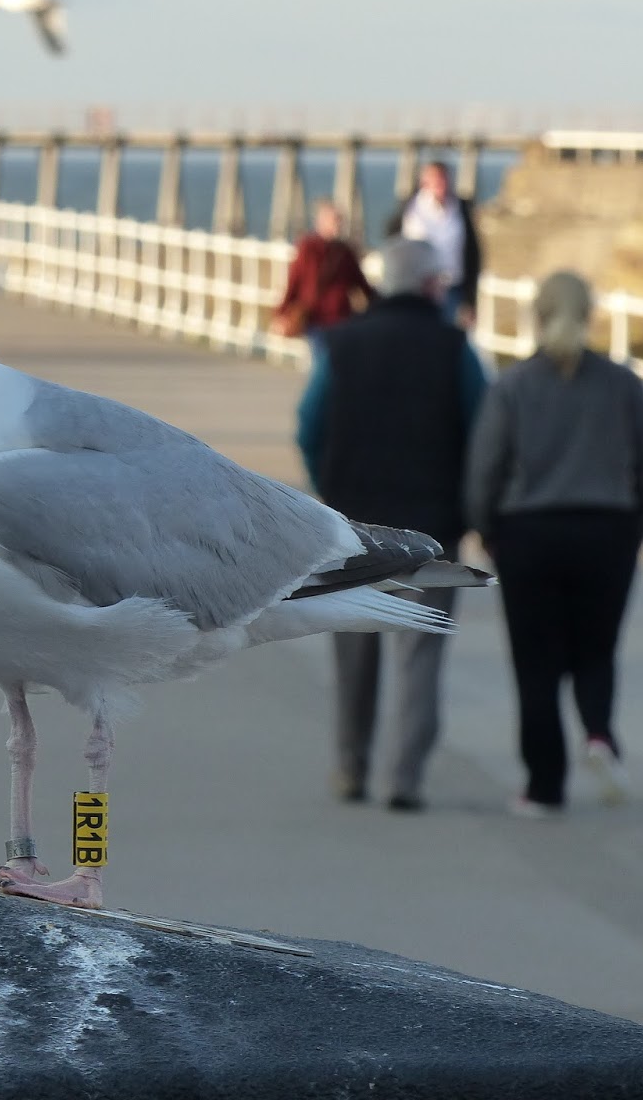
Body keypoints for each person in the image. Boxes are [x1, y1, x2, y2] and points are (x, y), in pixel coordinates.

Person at [296, 237, 489, 810]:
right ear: (432, 285)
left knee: (355, 648)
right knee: (419, 650)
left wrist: (327, 490)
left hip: (354, 525)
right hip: (432, 525)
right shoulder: (456, 349)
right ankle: (403, 778)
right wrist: (471, 507)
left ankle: (351, 768)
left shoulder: (343, 345)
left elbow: (310, 425)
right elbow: (483, 433)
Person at [464, 271, 643, 817]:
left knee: (536, 665)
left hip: (529, 535)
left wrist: (486, 528)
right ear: (590, 314)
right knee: (597, 649)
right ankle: (598, 734)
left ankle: (544, 786)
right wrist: (639, 522)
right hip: (607, 532)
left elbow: (485, 469)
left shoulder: (513, 386)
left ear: (538, 315)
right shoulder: (623, 384)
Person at [386, 161, 483, 330]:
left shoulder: (460, 207)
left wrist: (471, 297)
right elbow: (393, 243)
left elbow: (473, 252)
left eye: (444, 180)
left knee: (446, 335)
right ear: (424, 182)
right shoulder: (411, 208)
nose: (441, 185)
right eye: (436, 180)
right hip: (417, 288)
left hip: (452, 287)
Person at [269, 200, 373, 338]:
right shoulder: (308, 248)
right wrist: (281, 312)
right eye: (335, 220)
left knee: (332, 355)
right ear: (321, 221)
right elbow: (294, 281)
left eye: (340, 220)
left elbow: (360, 283)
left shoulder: (344, 251)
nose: (338, 225)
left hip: (340, 316)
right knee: (324, 354)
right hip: (316, 317)